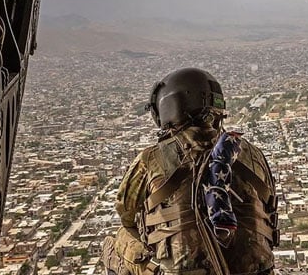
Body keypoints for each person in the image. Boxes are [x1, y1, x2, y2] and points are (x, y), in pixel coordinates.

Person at [102, 68, 278, 275]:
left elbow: (126, 214)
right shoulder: (251, 153)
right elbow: (270, 209)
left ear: (168, 107)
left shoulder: (151, 159)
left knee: (116, 243)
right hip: (258, 271)